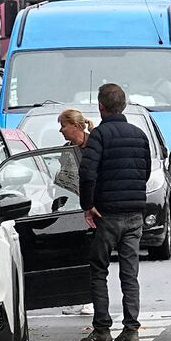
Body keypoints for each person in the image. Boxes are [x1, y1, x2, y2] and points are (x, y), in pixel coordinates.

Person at [78, 84, 151, 341]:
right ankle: (131, 329)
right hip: (134, 215)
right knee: (130, 273)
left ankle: (102, 328)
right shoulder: (139, 135)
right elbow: (145, 170)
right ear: (124, 105)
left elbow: (87, 173)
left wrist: (88, 204)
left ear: (101, 107)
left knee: (99, 269)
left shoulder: (99, 136)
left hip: (107, 214)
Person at [56, 108, 94, 316]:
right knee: (73, 254)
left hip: (91, 206)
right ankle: (76, 297)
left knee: (91, 255)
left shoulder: (93, 144)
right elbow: (63, 177)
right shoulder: (66, 149)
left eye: (63, 125)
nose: (61, 130)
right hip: (71, 206)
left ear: (76, 126)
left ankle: (91, 299)